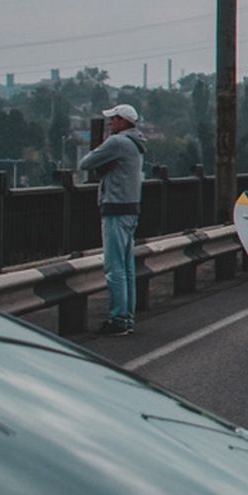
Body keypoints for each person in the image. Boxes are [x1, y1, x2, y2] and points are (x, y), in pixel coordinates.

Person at [78, 104, 147, 336]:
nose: (110, 123)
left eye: (113, 119)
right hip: (131, 208)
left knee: (114, 266)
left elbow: (85, 162)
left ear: (122, 122)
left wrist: (103, 148)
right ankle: (126, 317)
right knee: (127, 267)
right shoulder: (136, 144)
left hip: (116, 208)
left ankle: (118, 319)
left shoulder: (118, 142)